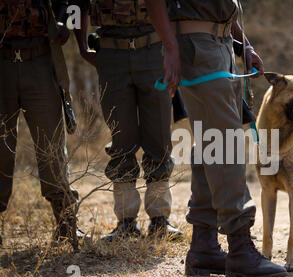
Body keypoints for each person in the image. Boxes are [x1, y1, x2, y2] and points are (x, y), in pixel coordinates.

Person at [148, 0, 288, 277]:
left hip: (220, 43)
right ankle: (239, 248)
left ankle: (204, 245)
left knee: (212, 143)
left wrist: (242, 43)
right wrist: (170, 46)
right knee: (226, 144)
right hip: (197, 45)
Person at [74, 0, 182, 241]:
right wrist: (81, 46)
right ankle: (125, 222)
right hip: (112, 54)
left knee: (159, 136)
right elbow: (75, 4)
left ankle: (160, 220)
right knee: (121, 138)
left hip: (153, 50)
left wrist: (173, 47)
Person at [0, 0, 82, 248]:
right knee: (0, 147)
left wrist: (64, 21)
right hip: (2, 60)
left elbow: (71, 3)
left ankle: (67, 224)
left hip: (41, 58)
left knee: (52, 146)